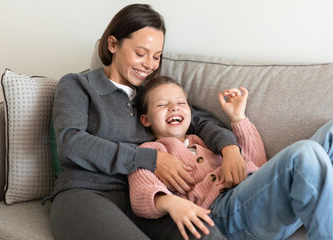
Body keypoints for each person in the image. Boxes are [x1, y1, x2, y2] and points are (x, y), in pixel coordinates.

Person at [50, 4, 243, 240]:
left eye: (156, 56)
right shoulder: (78, 85)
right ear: (112, 45)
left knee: (205, 232)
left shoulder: (151, 97)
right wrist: (151, 159)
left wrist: (229, 147)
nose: (150, 64)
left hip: (144, 202)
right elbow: (71, 143)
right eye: (140, 53)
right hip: (86, 192)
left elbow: (199, 120)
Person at [128, 76, 333, 240]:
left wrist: (238, 117)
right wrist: (170, 202)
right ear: (145, 119)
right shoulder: (150, 150)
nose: (174, 107)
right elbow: (141, 191)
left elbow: (256, 164)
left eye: (180, 103)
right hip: (223, 217)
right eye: (162, 105)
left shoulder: (204, 140)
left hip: (260, 203)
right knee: (304, 153)